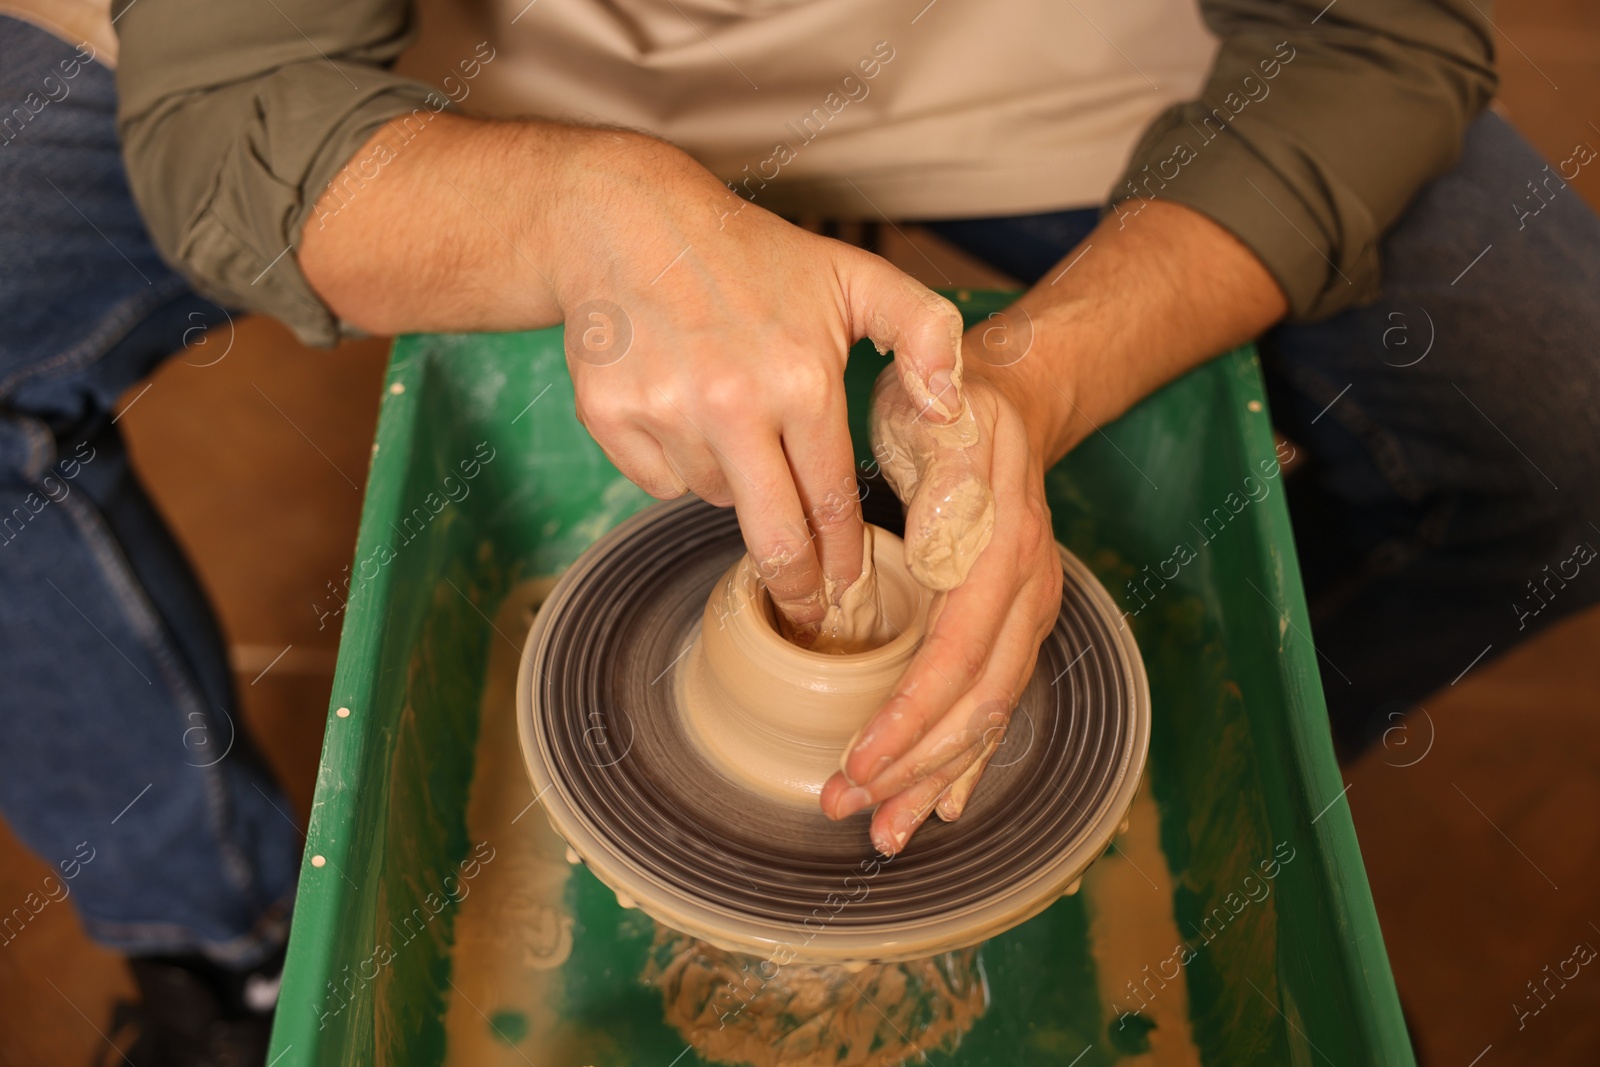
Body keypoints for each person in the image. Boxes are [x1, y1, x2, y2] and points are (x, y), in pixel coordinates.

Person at [3, 0, 1597, 1062]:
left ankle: (1165, 716)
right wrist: (582, 212)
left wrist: (1031, 388)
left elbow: (1379, 36)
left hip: (1022, 45)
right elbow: (233, 107)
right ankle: (235, 938)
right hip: (448, 57)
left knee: (1565, 432)